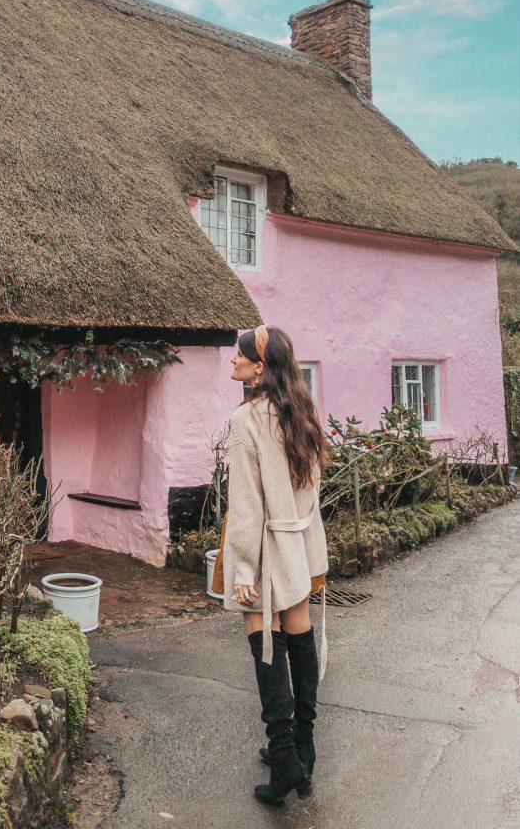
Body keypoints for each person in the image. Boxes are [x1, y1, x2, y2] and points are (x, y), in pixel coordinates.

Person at [223, 324, 329, 805]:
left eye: (239, 357)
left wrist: (242, 567)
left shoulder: (247, 419)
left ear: (259, 369)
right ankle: (302, 746)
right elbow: (312, 486)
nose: (233, 362)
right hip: (302, 538)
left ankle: (284, 757)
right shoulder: (300, 410)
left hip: (267, 546)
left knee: (261, 632)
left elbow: (246, 505)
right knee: (298, 629)